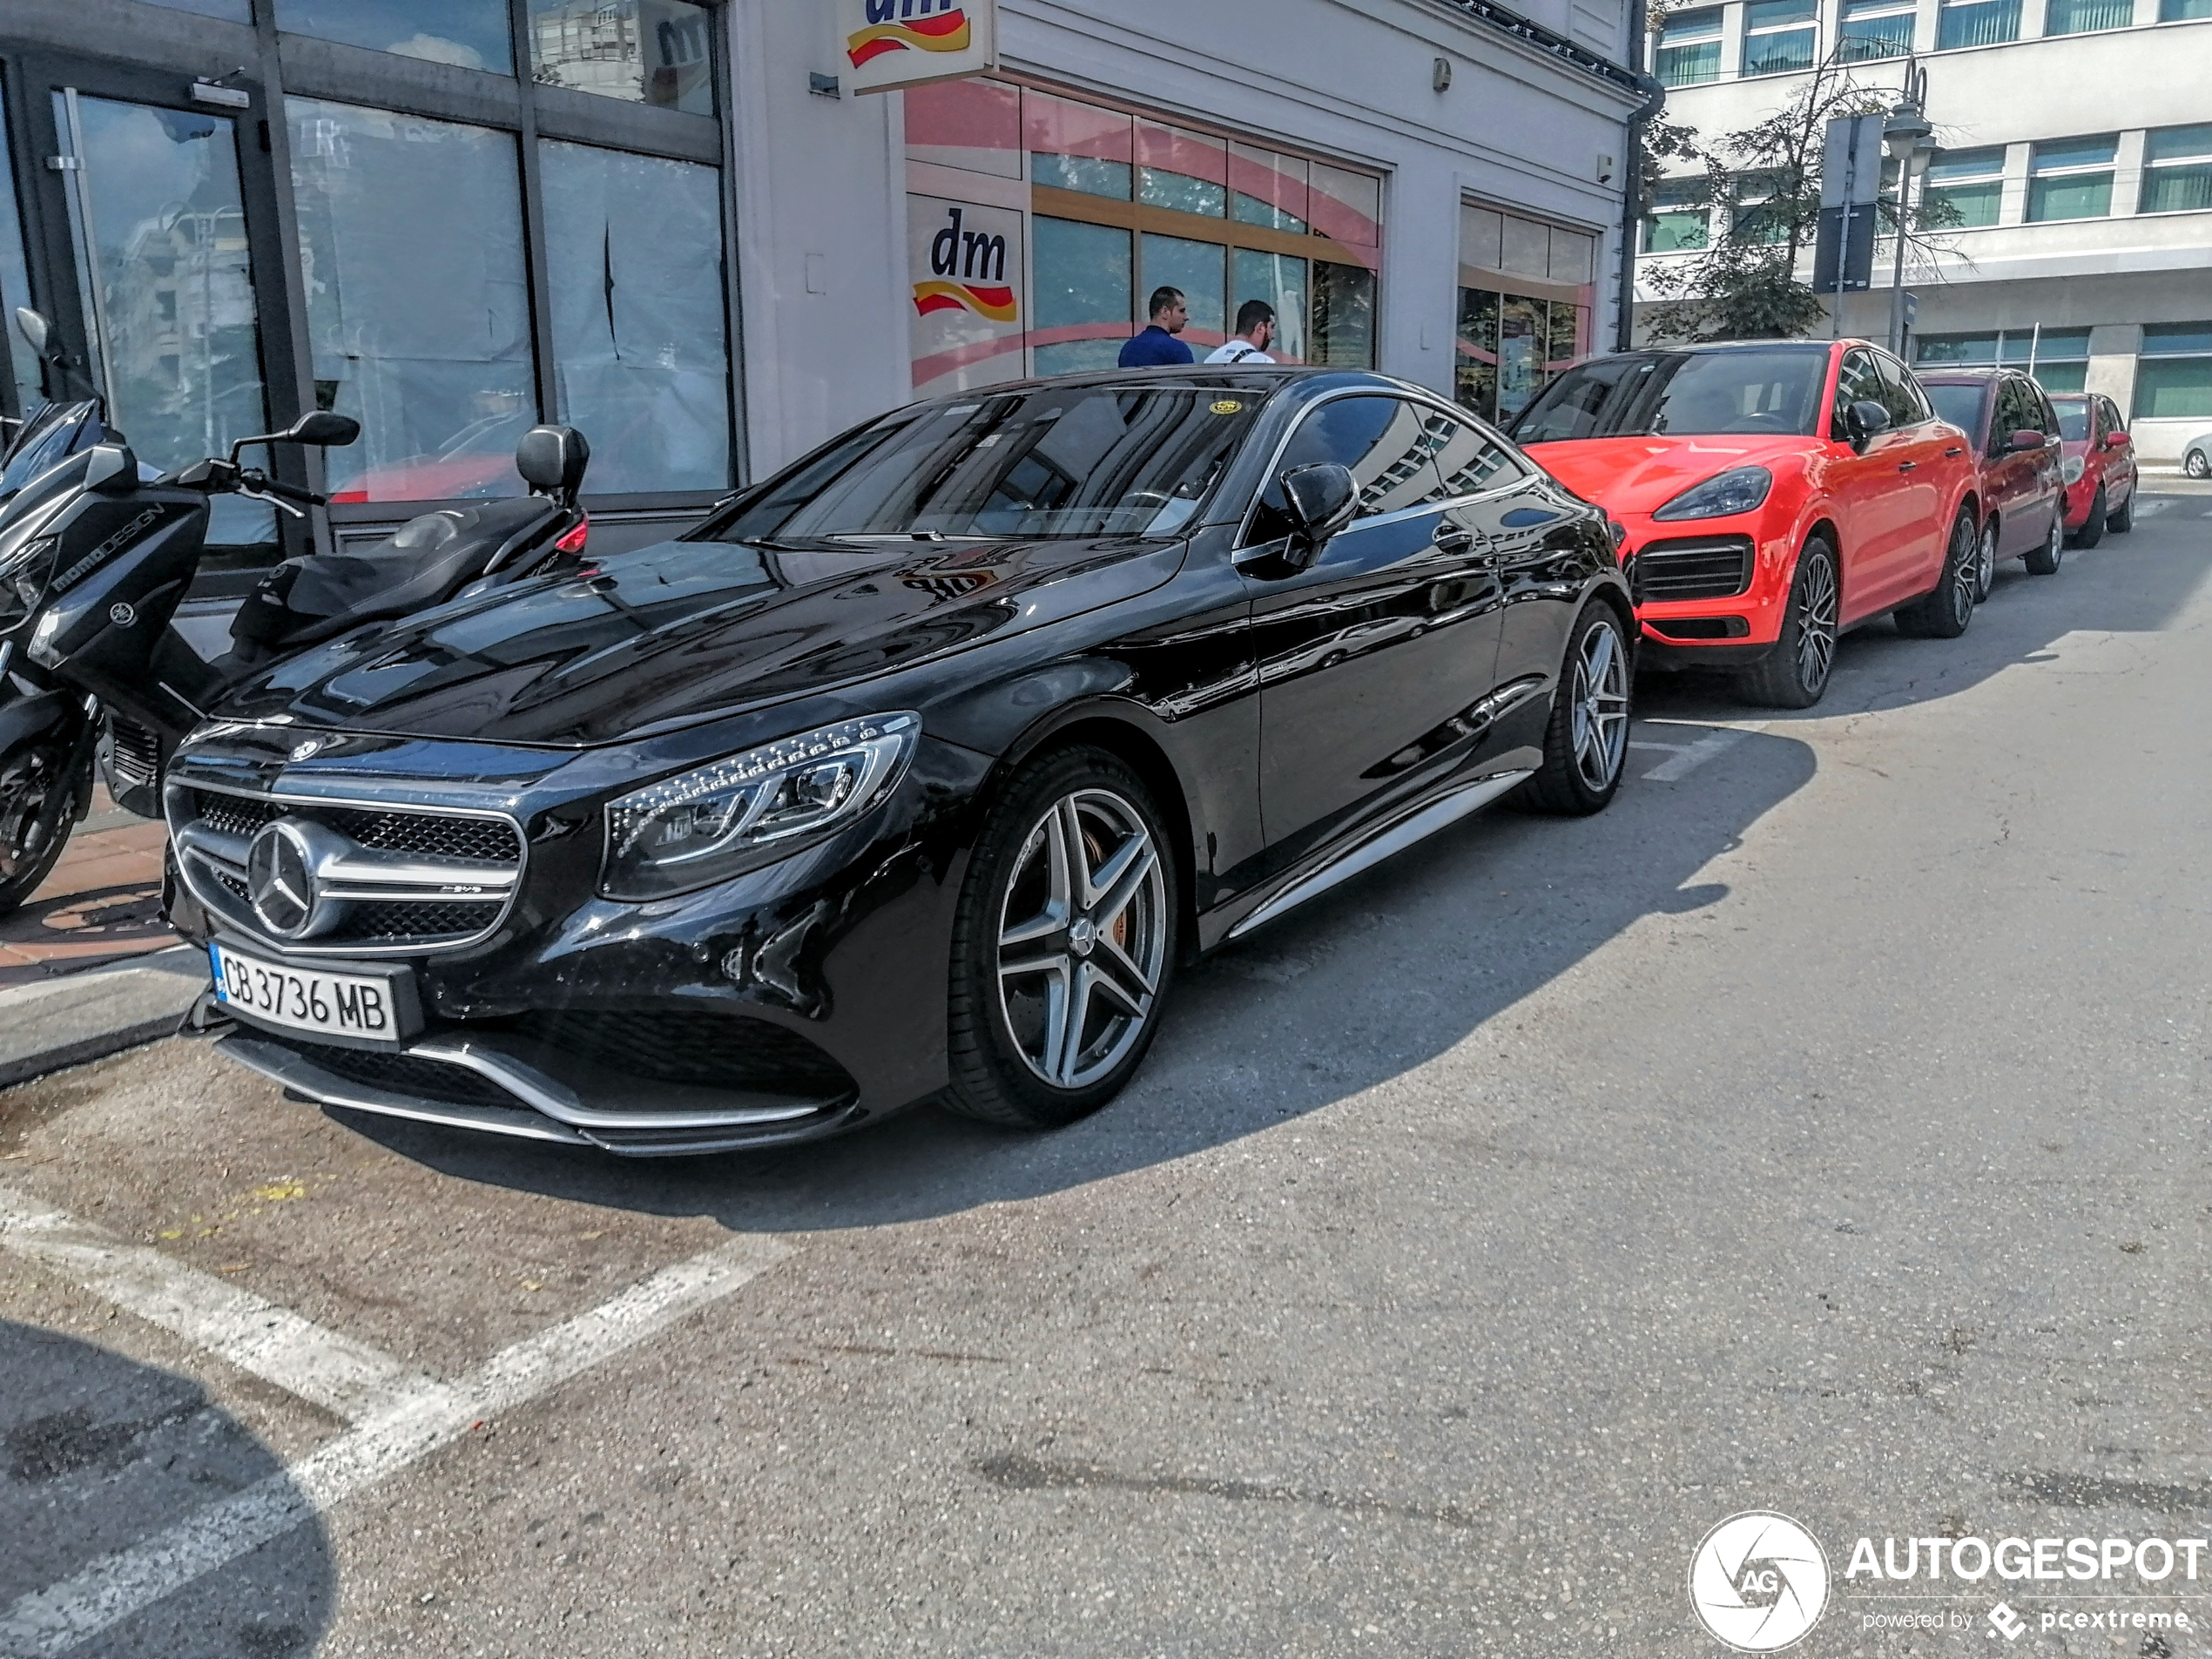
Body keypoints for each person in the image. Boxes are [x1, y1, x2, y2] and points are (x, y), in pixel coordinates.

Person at [1120, 287, 1194, 368]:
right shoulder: (1178, 350)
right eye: (1181, 311)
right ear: (1165, 312)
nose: (1186, 317)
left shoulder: (1128, 349)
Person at [1204, 300, 1277, 365]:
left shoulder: (1210, 361)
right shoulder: (1264, 363)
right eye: (1271, 327)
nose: (1273, 336)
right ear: (1260, 328)